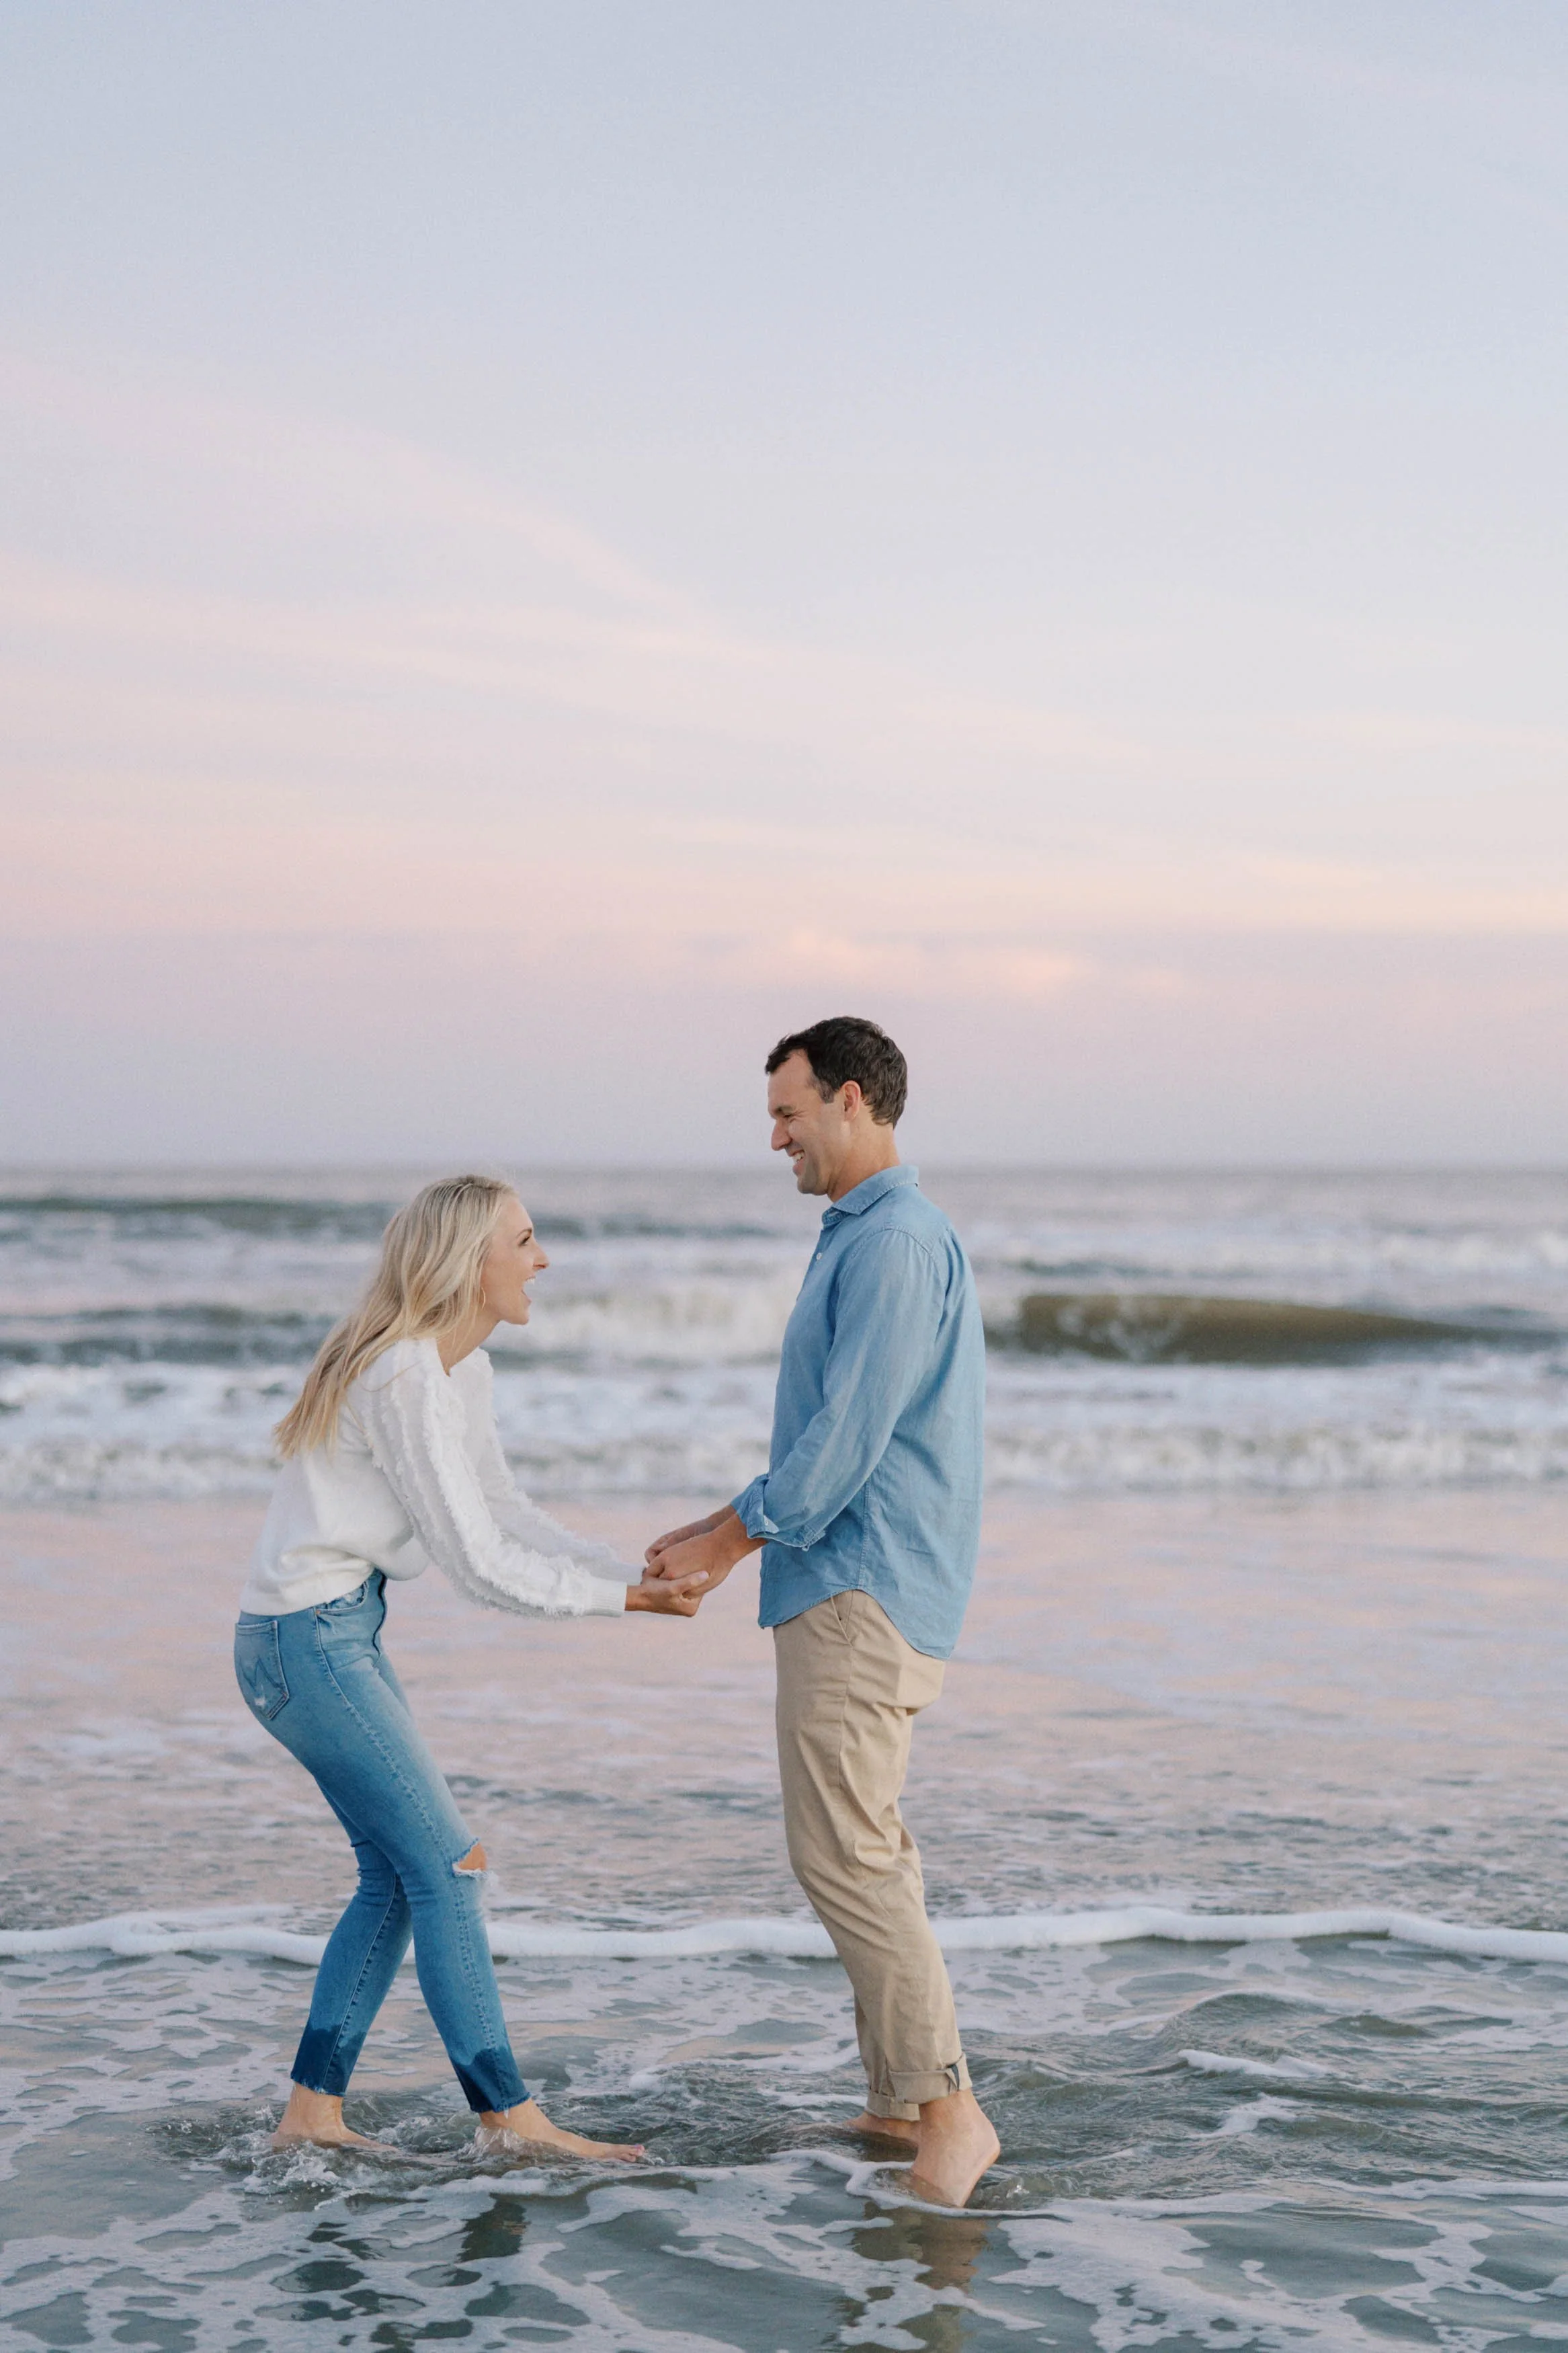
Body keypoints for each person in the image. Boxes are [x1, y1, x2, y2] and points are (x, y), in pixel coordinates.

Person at [235, 1172, 693, 2159]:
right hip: (304, 1643)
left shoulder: (457, 1373)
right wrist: (627, 1601)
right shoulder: (401, 1373)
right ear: (468, 1263)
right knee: (451, 1869)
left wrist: (627, 1575)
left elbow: (505, 1515)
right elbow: (479, 1567)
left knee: (398, 1879)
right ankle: (510, 2121)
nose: (543, 1259)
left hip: (333, 1634)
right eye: (525, 1240)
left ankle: (311, 2117)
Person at [646, 1016, 1000, 2208]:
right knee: (868, 1844)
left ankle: (951, 2112)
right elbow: (829, 1429)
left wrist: (739, 1537)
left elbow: (846, 1444)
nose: (778, 1139)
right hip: (850, 1573)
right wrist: (721, 1520)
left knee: (841, 1852)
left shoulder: (895, 1243)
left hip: (862, 1583)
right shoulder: (865, 1234)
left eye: (789, 1114)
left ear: (852, 1100)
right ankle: (903, 2103)